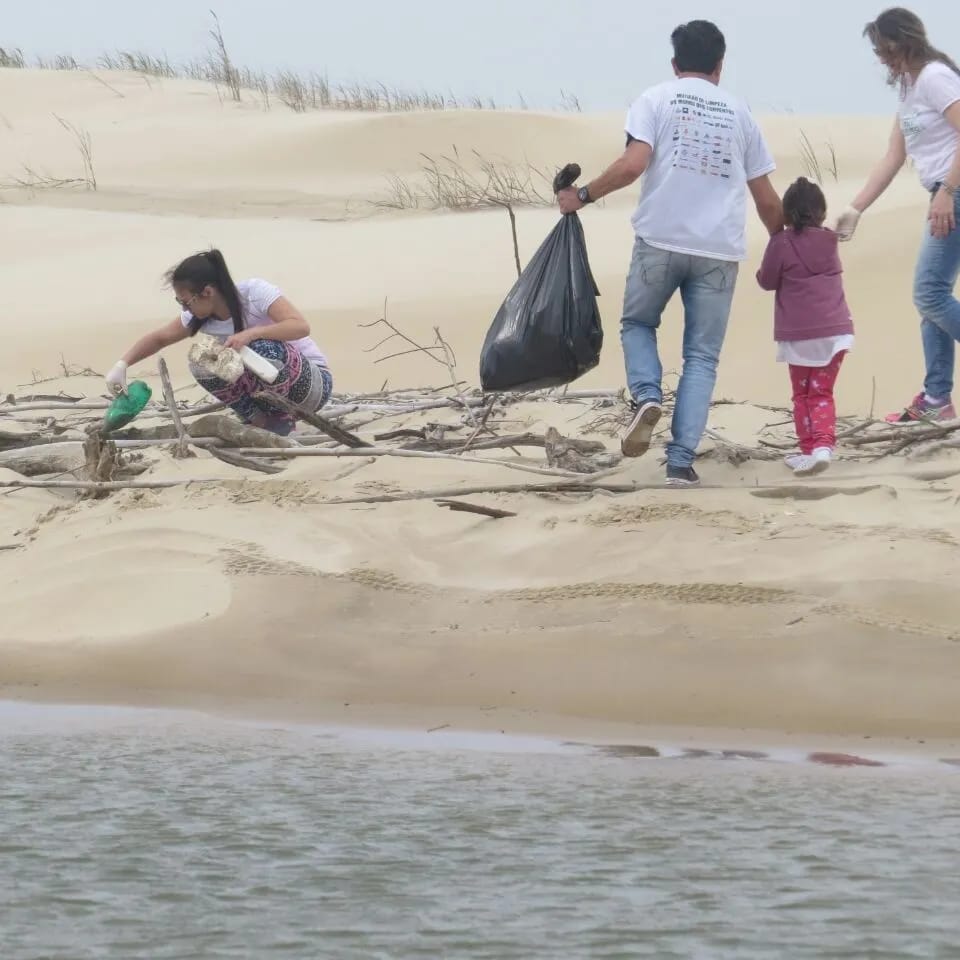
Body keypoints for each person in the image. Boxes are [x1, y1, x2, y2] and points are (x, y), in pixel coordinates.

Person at [558, 19, 783, 487]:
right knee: (702, 356)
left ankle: (646, 395)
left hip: (660, 239)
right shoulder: (740, 113)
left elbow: (632, 165)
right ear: (720, 65)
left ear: (676, 63)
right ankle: (680, 463)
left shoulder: (656, 98)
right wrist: (789, 243)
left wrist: (582, 195)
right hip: (719, 250)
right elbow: (764, 197)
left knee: (638, 324)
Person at [834, 7, 960, 424]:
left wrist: (947, 190)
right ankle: (937, 400)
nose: (880, 57)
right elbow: (894, 155)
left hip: (953, 193)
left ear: (904, 41)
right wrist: (856, 208)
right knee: (931, 299)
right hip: (942, 194)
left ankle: (937, 398)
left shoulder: (935, 78)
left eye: (883, 47)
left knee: (928, 293)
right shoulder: (908, 87)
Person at [105, 249, 333, 436]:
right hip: (266, 396)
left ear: (207, 292)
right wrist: (122, 365)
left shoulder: (255, 293)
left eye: (186, 301)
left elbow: (300, 326)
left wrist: (251, 334)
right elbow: (159, 338)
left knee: (256, 349)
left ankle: (284, 420)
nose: (185, 308)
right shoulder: (200, 318)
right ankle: (261, 422)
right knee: (202, 361)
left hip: (309, 386)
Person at [757, 178, 854, 476]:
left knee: (803, 395)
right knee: (822, 391)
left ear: (786, 214)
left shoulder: (781, 243)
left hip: (800, 337)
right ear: (821, 213)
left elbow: (767, 281)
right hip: (837, 332)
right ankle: (822, 447)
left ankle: (811, 448)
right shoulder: (829, 240)